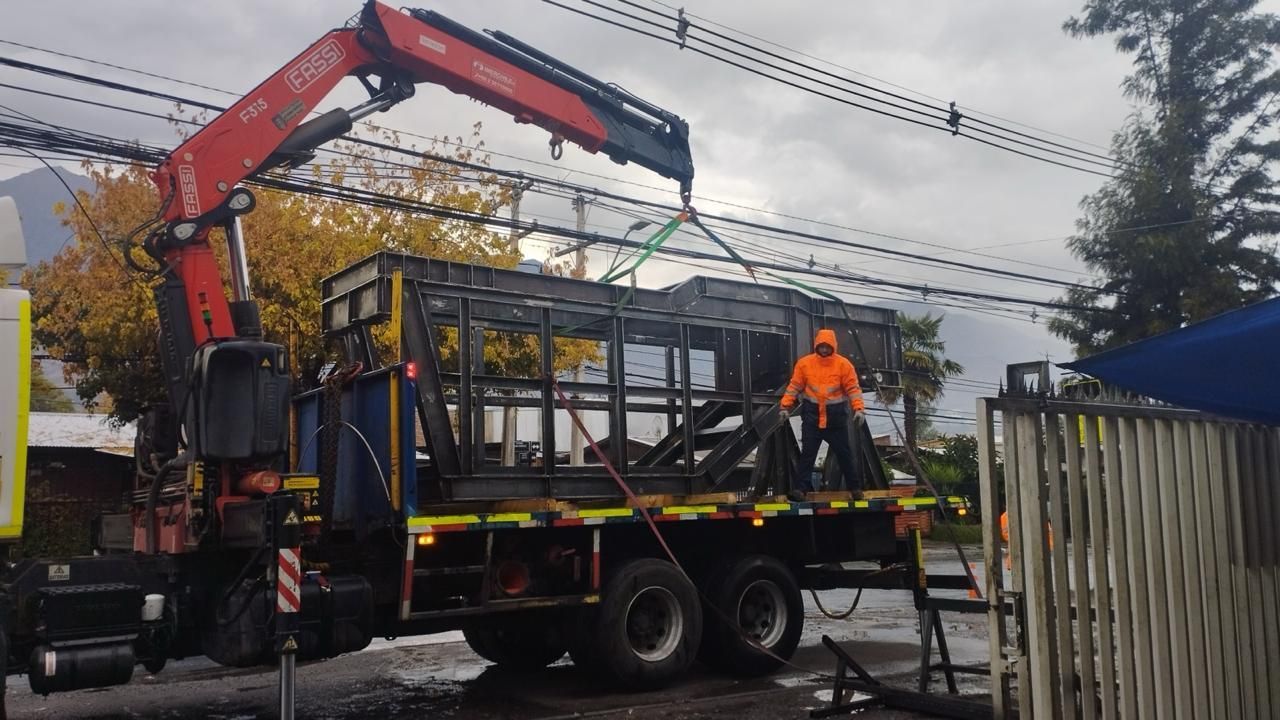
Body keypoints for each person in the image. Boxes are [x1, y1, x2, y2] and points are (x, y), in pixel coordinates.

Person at [779, 328, 866, 502]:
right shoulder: (804, 364)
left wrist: (859, 409)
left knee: (845, 455)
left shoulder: (843, 365)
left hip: (836, 420)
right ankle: (800, 491)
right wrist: (784, 407)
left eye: (827, 346)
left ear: (833, 346)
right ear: (817, 345)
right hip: (812, 418)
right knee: (808, 456)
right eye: (822, 346)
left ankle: (855, 488)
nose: (824, 349)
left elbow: (853, 389)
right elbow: (794, 387)